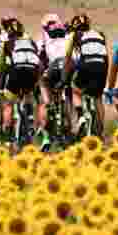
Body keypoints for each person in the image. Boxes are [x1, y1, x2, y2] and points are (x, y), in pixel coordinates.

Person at [63, 14, 108, 135]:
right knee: (98, 97)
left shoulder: (75, 35)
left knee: (75, 89)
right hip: (102, 66)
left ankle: (80, 115)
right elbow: (105, 56)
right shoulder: (100, 34)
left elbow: (67, 57)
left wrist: (64, 77)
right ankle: (101, 130)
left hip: (86, 65)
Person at [37, 19, 70, 150]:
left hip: (53, 68)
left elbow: (39, 59)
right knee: (68, 95)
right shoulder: (68, 39)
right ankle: (68, 125)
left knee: (43, 88)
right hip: (67, 68)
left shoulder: (45, 40)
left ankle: (45, 137)